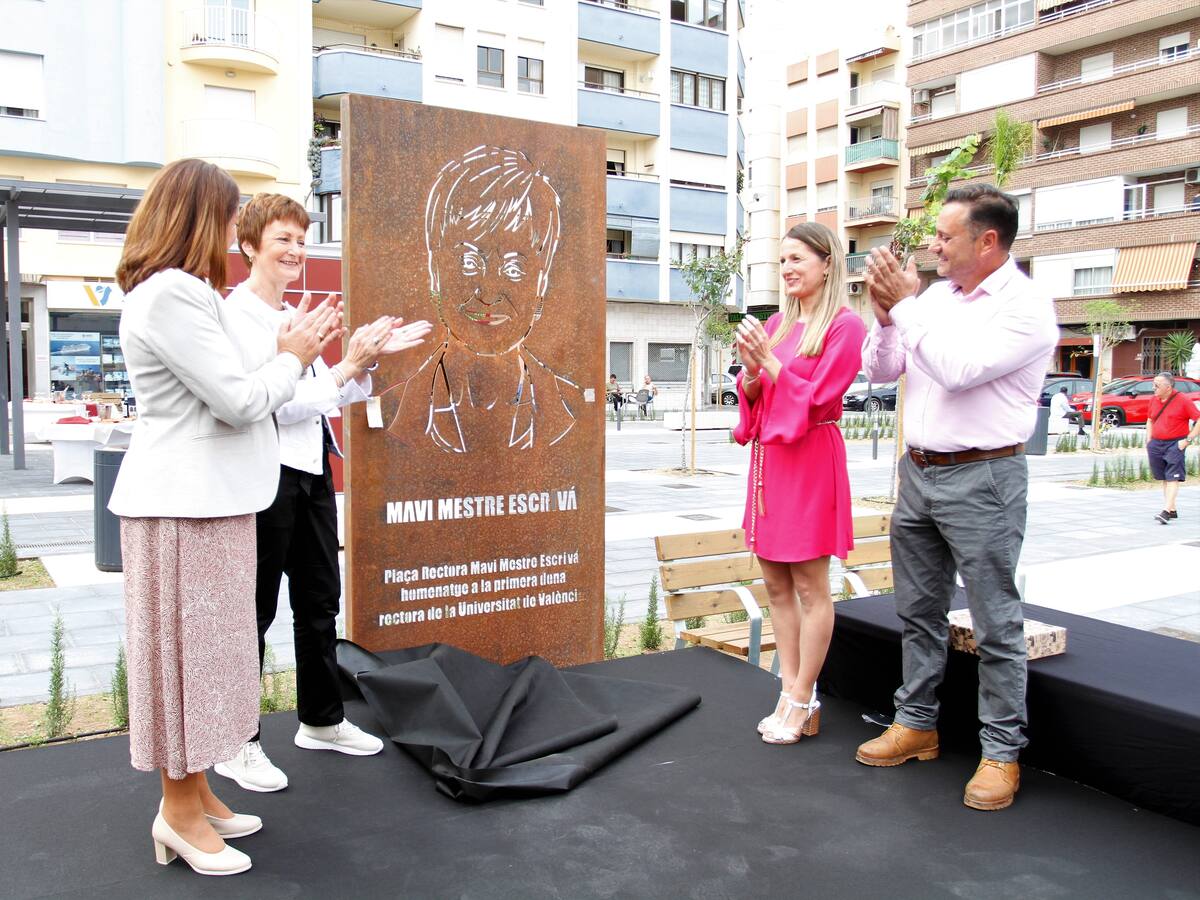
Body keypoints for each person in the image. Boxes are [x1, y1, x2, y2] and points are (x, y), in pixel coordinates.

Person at [108, 159, 341, 875]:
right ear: (198, 218)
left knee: (208, 658)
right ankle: (177, 813)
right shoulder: (172, 294)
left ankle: (197, 793)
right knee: (190, 662)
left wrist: (287, 354)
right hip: (185, 507)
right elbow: (238, 400)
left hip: (203, 502)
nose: (232, 228)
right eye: (228, 214)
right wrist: (295, 356)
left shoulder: (181, 293)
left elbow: (234, 386)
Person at [215, 194, 433, 793]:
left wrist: (364, 361)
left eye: (302, 240)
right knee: (252, 614)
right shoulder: (237, 317)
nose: (296, 251)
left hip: (311, 475)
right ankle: (237, 741)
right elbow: (270, 404)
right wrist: (343, 367)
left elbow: (323, 397)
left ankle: (322, 719)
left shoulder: (293, 315)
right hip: (262, 478)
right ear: (250, 245)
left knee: (318, 605)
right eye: (282, 239)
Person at [859, 184, 1057, 811]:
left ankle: (1000, 754)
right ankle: (916, 723)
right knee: (918, 611)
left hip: (985, 479)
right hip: (917, 471)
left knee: (997, 623)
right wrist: (886, 319)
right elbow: (883, 372)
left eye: (946, 237)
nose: (934, 247)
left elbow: (958, 368)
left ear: (988, 240)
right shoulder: (936, 298)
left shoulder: (1026, 308)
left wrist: (908, 308)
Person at [732, 222, 866, 745]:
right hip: (771, 464)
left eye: (797, 259)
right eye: (782, 261)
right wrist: (749, 374)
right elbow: (758, 397)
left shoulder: (844, 327)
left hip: (811, 457)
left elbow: (819, 397)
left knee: (811, 586)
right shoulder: (777, 325)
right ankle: (789, 690)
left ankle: (803, 693)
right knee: (775, 586)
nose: (787, 269)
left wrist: (767, 364)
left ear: (827, 262)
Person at [385, 145, 584, 452]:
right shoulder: (391, 410)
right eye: (468, 262)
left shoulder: (574, 407)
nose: (489, 293)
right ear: (435, 270)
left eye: (514, 267)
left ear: (541, 282)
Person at [1146, 371, 1200, 524]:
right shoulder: (1154, 400)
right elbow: (1149, 420)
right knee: (1164, 476)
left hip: (1175, 443)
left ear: (1168, 387)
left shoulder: (1183, 400)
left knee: (1173, 476)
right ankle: (1172, 509)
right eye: (1153, 384)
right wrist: (1149, 440)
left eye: (1156, 385)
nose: (1153, 388)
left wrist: (1187, 441)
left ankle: (1166, 511)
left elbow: (1198, 419)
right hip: (1156, 443)